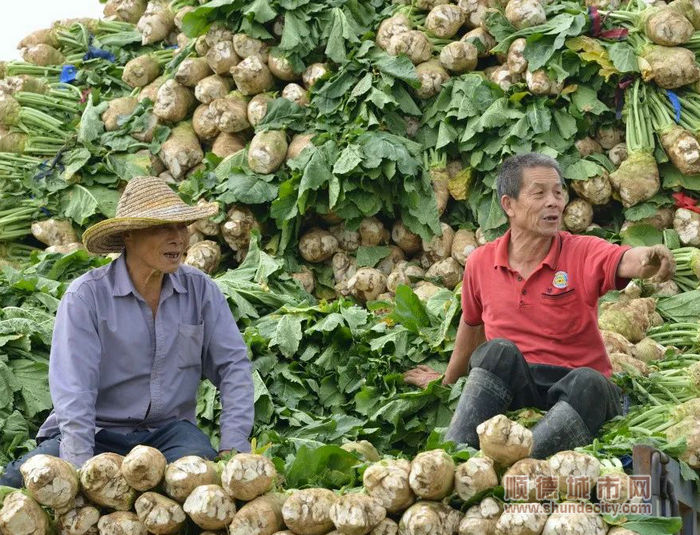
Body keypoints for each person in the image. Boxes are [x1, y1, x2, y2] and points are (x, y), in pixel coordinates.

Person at [404, 153, 675, 458]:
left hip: (575, 386)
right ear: (509, 205)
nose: (554, 202)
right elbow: (471, 326)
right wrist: (447, 380)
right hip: (519, 382)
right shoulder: (480, 262)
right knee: (495, 352)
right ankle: (453, 457)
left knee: (591, 382)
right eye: (539, 193)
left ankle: (522, 464)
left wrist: (647, 258)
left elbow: (623, 259)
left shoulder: (582, 251)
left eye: (558, 193)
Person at [0, 176, 254, 487]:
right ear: (129, 235)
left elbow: (234, 367)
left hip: (169, 433)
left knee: (204, 486)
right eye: (164, 228)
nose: (178, 238)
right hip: (97, 431)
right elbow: (74, 391)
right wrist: (79, 470)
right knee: (17, 483)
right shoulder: (87, 297)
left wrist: (234, 446)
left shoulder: (201, 291)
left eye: (181, 227)